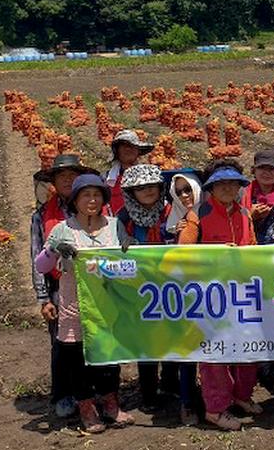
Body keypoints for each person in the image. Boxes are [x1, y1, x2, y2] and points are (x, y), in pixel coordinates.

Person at [34, 174, 135, 434]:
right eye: (85, 195)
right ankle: (87, 408)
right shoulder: (63, 230)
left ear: (103, 198)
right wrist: (53, 249)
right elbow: (41, 266)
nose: (92, 200)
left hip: (109, 305)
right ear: (76, 200)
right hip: (75, 306)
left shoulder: (114, 226)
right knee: (77, 360)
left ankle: (110, 403)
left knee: (109, 357)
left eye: (97, 195)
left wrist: (130, 248)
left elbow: (130, 266)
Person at [179, 161, 260, 430]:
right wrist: (215, 254)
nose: (228, 187)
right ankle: (215, 409)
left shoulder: (245, 214)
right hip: (210, 296)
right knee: (215, 354)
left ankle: (241, 395)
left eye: (233, 183)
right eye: (222, 183)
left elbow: (254, 248)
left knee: (246, 348)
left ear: (239, 187)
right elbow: (183, 253)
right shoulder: (197, 215)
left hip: (242, 292)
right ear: (211, 187)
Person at [115, 164, 187, 418]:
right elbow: (116, 250)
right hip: (140, 289)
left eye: (152, 187)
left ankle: (170, 382)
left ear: (160, 188)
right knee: (147, 341)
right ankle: (148, 392)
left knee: (173, 335)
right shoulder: (123, 218)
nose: (147, 192)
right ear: (131, 192)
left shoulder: (172, 212)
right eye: (140, 188)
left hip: (171, 285)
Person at [29, 154, 99, 418]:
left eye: (73, 175)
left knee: (91, 340)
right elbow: (36, 257)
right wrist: (44, 298)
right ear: (54, 182)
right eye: (62, 176)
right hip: (60, 289)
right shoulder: (40, 216)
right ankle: (62, 395)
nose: (68, 179)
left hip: (93, 286)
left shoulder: (94, 209)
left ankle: (90, 395)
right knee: (61, 345)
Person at [105, 129, 154, 215]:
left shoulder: (150, 176)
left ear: (138, 150)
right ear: (117, 151)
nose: (128, 148)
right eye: (123, 145)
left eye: (132, 145)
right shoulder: (106, 179)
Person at [242, 150, 274, 244]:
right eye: (262, 168)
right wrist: (249, 216)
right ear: (254, 171)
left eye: (272, 168)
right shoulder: (242, 195)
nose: (266, 173)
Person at [164, 169, 203, 241]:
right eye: (178, 193)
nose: (184, 195)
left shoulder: (212, 213)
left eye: (188, 189)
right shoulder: (166, 219)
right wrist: (176, 234)